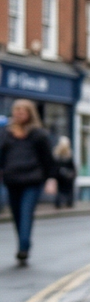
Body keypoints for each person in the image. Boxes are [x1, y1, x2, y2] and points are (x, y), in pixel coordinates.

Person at [0, 101, 56, 264]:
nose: (18, 114)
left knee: (26, 212)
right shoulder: (5, 133)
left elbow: (48, 159)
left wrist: (51, 179)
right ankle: (23, 243)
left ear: (30, 113)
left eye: (22, 111)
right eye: (16, 110)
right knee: (16, 214)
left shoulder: (38, 134)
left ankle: (24, 247)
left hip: (32, 180)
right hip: (12, 180)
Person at [52, 137, 76, 208]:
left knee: (60, 189)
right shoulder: (68, 153)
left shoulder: (56, 153)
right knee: (68, 190)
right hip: (67, 175)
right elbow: (72, 166)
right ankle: (69, 203)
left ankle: (58, 203)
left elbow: (54, 165)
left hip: (60, 175)